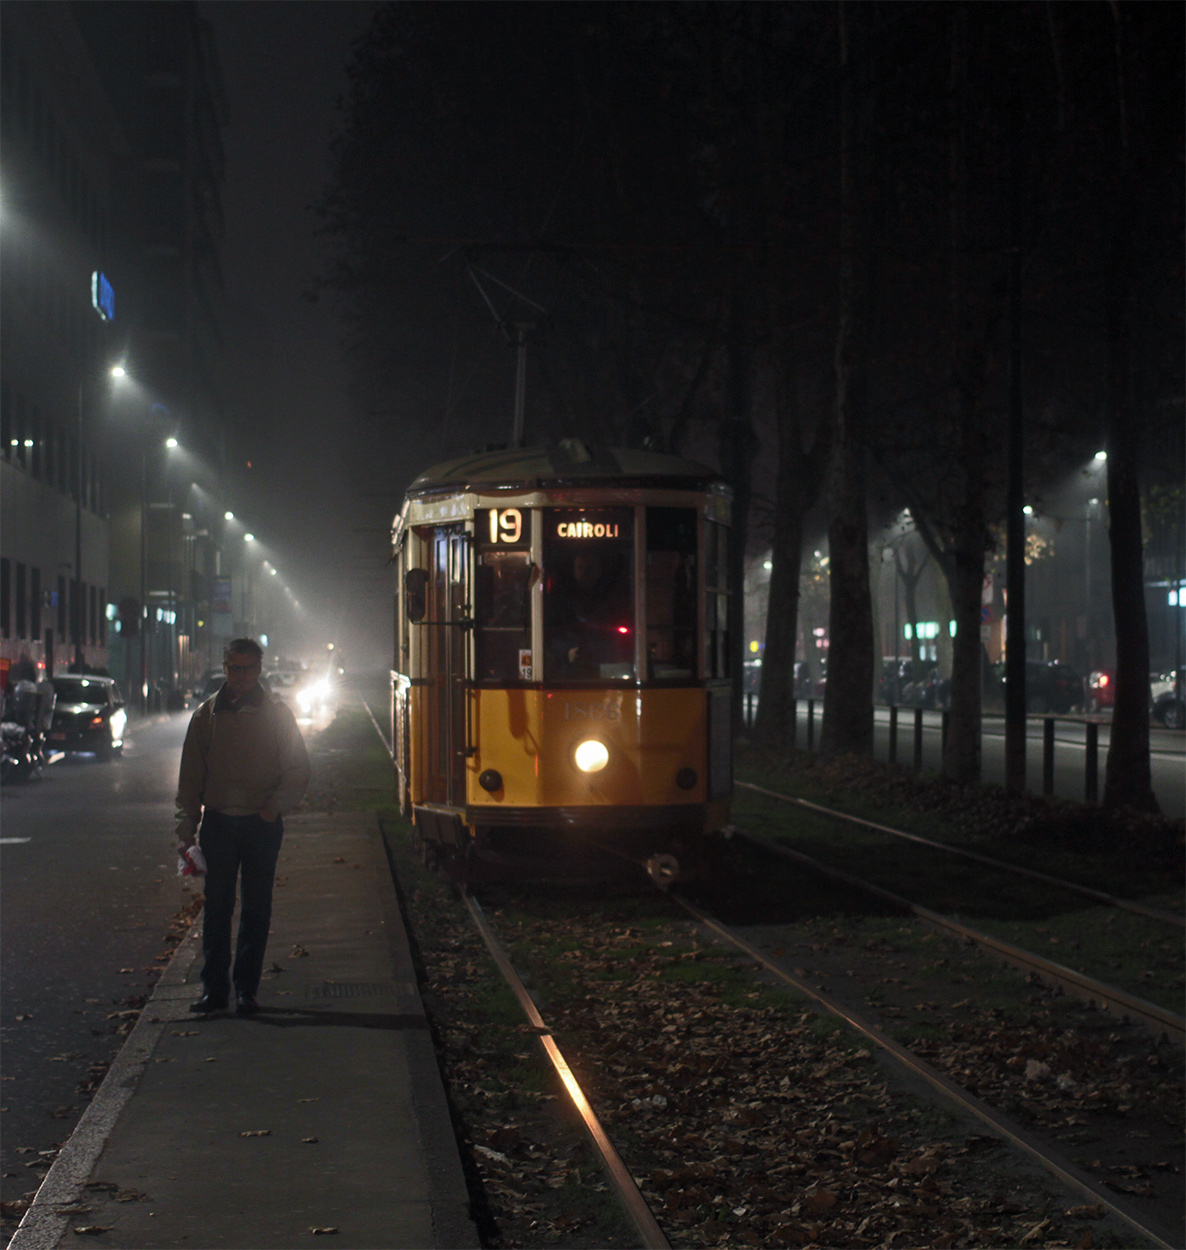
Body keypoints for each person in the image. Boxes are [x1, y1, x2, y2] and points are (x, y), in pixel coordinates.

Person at [176, 638, 310, 1016]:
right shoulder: (206, 716)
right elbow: (190, 779)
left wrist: (272, 809)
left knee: (256, 907)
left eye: (248, 668)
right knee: (217, 907)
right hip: (218, 823)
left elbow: (298, 769)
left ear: (259, 669)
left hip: (259, 824)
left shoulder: (277, 715)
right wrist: (185, 829)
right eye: (235, 668)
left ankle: (245, 990)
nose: (241, 676)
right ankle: (214, 990)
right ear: (225, 668)